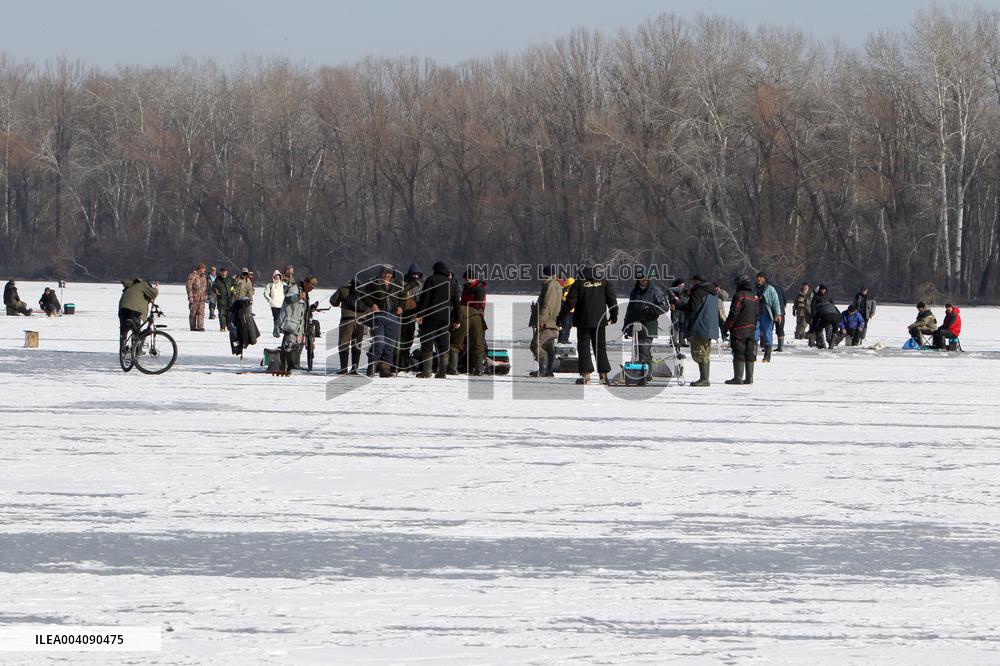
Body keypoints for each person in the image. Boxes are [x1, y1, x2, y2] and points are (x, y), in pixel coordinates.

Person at [559, 261, 618, 385]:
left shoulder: (578, 284)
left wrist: (560, 317)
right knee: (600, 348)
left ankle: (586, 377)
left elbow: (570, 303)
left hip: (583, 321)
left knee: (584, 348)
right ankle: (603, 376)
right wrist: (614, 315)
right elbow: (612, 300)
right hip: (600, 322)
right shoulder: (604, 283)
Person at [416, 261, 461, 379]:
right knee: (443, 344)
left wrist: (420, 314)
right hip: (445, 318)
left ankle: (427, 371)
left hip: (431, 317)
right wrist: (457, 319)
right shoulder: (452, 283)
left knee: (427, 342)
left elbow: (425, 298)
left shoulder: (431, 280)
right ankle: (442, 372)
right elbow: (457, 303)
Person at [622, 267, 668, 382]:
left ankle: (644, 374)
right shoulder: (634, 292)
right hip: (635, 324)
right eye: (641, 278)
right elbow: (630, 309)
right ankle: (642, 372)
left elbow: (664, 307)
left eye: (645, 278)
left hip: (649, 324)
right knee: (638, 350)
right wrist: (626, 325)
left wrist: (651, 310)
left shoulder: (655, 291)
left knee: (644, 350)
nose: (643, 280)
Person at [358, 265, 403, 377]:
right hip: (379, 316)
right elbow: (363, 294)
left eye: (389, 273)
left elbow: (403, 297)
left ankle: (385, 369)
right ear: (380, 273)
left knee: (390, 345)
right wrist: (372, 304)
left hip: (393, 317)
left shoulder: (397, 284)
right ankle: (372, 366)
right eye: (385, 273)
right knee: (379, 342)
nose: (387, 275)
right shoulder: (374, 283)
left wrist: (401, 306)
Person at [675, 274, 720, 387]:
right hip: (710, 326)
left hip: (700, 326)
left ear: (697, 281)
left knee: (700, 353)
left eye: (693, 281)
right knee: (705, 352)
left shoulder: (699, 292)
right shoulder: (713, 292)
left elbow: (692, 307)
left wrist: (678, 306)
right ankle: (705, 378)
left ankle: (704, 379)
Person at [276, 276, 318, 373]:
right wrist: (298, 296)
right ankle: (287, 366)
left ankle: (295, 365)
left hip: (300, 325)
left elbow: (302, 308)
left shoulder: (305, 293)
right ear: (306, 283)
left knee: (298, 344)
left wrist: (310, 309)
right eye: (311, 287)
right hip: (291, 323)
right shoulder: (295, 289)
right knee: (289, 345)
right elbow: (287, 299)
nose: (311, 290)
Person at [449, 270, 488, 376]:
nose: (466, 280)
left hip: (473, 316)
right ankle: (470, 368)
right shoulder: (468, 287)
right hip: (464, 315)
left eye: (468, 278)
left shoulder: (479, 288)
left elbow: (478, 305)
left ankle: (476, 369)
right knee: (468, 344)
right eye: (465, 278)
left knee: (474, 344)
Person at [724, 277, 761, 385]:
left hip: (739, 329)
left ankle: (738, 378)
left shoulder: (739, 295)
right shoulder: (755, 297)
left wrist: (726, 327)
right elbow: (757, 314)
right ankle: (749, 378)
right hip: (751, 328)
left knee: (739, 352)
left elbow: (733, 313)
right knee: (750, 353)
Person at [530, 265, 563, 378]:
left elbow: (548, 304)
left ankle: (543, 370)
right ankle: (548, 371)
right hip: (552, 322)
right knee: (548, 346)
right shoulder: (555, 284)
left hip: (547, 322)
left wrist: (542, 319)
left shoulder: (551, 285)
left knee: (536, 345)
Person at [330, 278, 365, 374]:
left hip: (347, 319)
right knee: (357, 345)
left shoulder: (343, 289)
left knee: (344, 344)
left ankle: (343, 368)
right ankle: (354, 369)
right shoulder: (365, 291)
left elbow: (333, 302)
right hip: (360, 321)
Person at [397, 264, 424, 372]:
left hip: (413, 315)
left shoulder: (420, 286)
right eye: (414, 274)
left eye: (418, 274)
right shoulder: (402, 284)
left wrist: (420, 314)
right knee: (400, 338)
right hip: (402, 315)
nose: (416, 276)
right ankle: (400, 359)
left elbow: (421, 300)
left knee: (409, 337)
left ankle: (406, 356)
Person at [118, 278, 159, 343]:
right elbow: (153, 294)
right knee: (136, 329)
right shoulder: (143, 284)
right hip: (135, 308)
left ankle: (122, 350)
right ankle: (136, 350)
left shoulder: (131, 285)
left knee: (123, 330)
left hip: (122, 307)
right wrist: (156, 289)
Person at [754, 272, 782, 363]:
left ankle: (767, 357)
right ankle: (753, 356)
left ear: (765, 279)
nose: (759, 279)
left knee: (767, 335)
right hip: (756, 315)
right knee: (754, 335)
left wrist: (778, 314)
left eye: (761, 277)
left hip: (767, 314)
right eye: (758, 277)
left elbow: (776, 302)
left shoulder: (770, 289)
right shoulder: (754, 289)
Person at [185, 263, 208, 331]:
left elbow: (205, 287)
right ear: (200, 269)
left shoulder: (204, 276)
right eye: (203, 268)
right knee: (193, 313)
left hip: (202, 298)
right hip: (194, 297)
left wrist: (205, 295)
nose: (204, 270)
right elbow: (189, 287)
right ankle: (193, 327)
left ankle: (200, 327)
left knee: (201, 313)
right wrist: (190, 296)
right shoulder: (193, 275)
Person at [263, 270, 286, 337]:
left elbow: (288, 291)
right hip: (274, 305)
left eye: (278, 276)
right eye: (276, 276)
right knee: (276, 318)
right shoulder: (270, 285)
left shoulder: (283, 284)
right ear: (273, 277)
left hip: (282, 304)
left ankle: (277, 330)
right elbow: (265, 293)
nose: (277, 277)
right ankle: (276, 331)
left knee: (281, 318)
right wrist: (270, 300)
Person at [213, 267, 236, 332]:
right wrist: (215, 290)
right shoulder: (218, 279)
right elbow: (214, 286)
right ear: (220, 272)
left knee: (229, 315)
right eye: (222, 272)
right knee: (221, 314)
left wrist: (233, 290)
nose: (223, 273)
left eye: (225, 272)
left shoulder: (230, 279)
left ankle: (229, 327)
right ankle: (222, 327)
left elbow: (234, 285)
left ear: (227, 272)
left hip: (229, 300)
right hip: (221, 300)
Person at [667, 278, 687, 348]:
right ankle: (673, 341)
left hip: (682, 309)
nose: (683, 285)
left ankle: (682, 341)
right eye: (682, 284)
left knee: (682, 325)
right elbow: (670, 297)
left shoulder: (682, 290)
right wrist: (674, 297)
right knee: (675, 325)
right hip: (675, 309)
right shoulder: (675, 289)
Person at [557, 275, 575, 344]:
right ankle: (561, 340)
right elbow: (559, 300)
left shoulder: (573, 291)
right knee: (565, 325)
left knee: (569, 325)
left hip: (572, 311)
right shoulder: (563, 290)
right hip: (565, 311)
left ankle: (566, 339)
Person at [773, 281, 787, 352]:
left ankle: (766, 346)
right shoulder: (780, 289)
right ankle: (780, 347)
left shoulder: (768, 289)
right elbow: (785, 301)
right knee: (780, 329)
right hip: (781, 312)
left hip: (771, 312)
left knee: (768, 329)